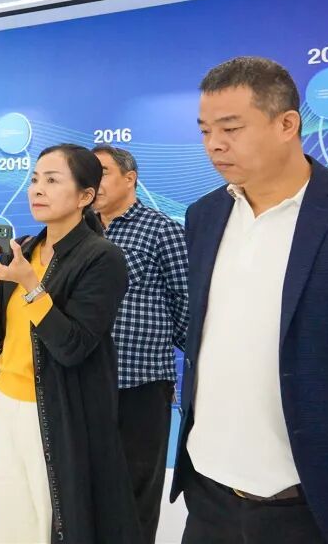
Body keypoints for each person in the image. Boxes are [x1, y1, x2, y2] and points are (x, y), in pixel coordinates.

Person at [171, 56, 328, 544]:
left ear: (287, 124)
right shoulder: (204, 215)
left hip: (316, 503)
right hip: (209, 496)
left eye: (231, 128)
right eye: (206, 130)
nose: (214, 144)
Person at [0, 144, 143, 544]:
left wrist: (29, 283)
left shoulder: (102, 258)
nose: (37, 189)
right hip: (4, 402)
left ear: (85, 196)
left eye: (53, 180)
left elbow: (73, 346)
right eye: (35, 179)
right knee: (8, 516)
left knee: (51, 519)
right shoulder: (25, 249)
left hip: (58, 411)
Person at [92, 145, 189, 544]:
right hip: (84, 381)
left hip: (141, 384)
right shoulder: (79, 230)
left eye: (102, 172)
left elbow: (187, 303)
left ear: (130, 178)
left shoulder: (162, 230)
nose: (92, 181)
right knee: (87, 487)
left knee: (136, 491)